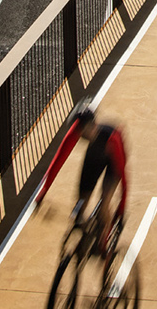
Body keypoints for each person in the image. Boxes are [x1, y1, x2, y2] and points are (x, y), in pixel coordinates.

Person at [35, 99, 127, 254]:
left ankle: (105, 242)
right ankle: (83, 237)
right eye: (80, 132)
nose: (82, 135)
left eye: (85, 131)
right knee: (81, 203)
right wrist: (43, 192)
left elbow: (123, 176)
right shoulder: (76, 132)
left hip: (113, 161)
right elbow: (57, 163)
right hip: (94, 158)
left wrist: (121, 208)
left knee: (105, 201)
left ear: (93, 126)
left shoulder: (112, 138)